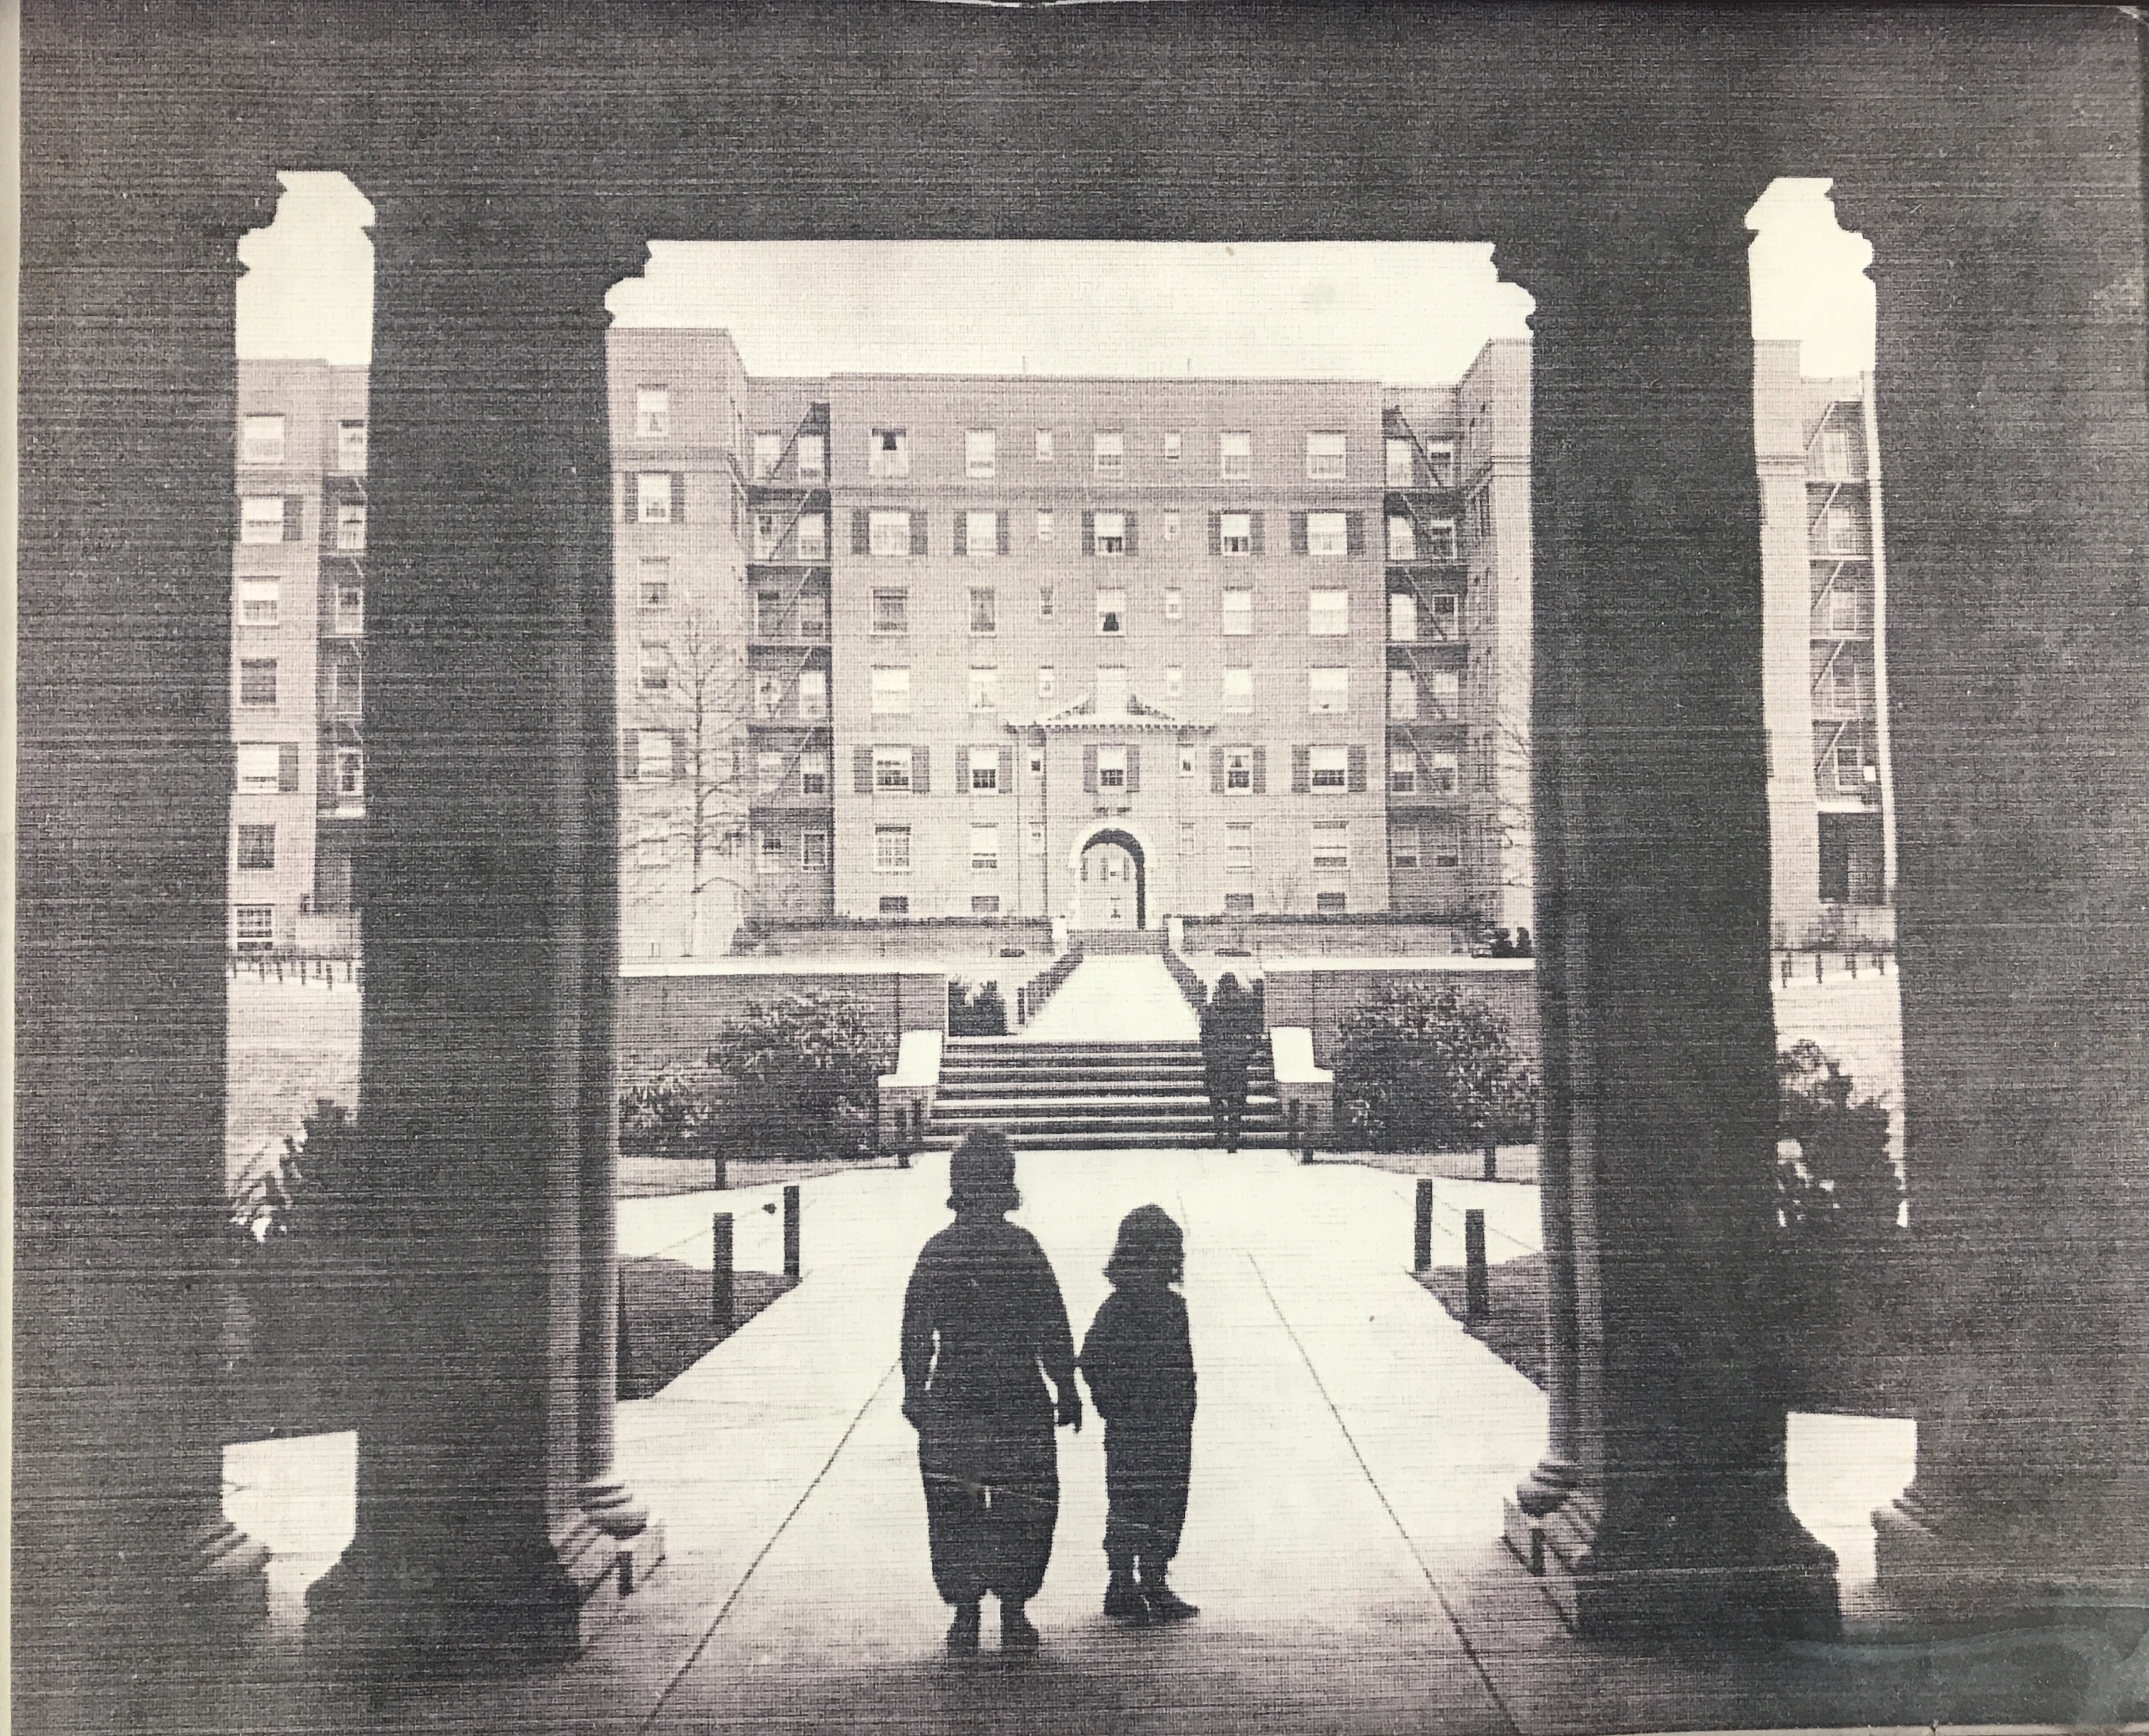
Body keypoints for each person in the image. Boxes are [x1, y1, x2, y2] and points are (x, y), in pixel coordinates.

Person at [900, 1128, 1082, 1657]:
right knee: (1022, 1501)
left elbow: (917, 1327)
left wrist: (916, 1388)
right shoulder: (1022, 1248)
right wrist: (1064, 1384)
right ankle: (1013, 1608)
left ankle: (965, 1610)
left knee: (954, 1503)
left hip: (956, 1388)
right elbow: (1052, 1322)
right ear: (1006, 1185)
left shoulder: (939, 1250)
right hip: (1016, 1390)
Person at [1079, 1205, 1200, 1625]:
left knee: (1158, 1501)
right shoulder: (1122, 1309)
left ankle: (1149, 1580)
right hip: (1139, 1423)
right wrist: (1114, 1404)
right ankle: (1124, 1582)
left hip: (1160, 1424)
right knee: (1134, 1501)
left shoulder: (1166, 1308)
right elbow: (1091, 1359)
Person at [1200, 975, 1253, 1152]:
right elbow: (1253, 1036)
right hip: (1236, 1064)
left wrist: (1211, 1056)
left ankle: (1220, 1131)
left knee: (1217, 1098)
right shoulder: (1244, 1010)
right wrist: (1246, 1056)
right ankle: (1232, 1137)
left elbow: (1204, 1038)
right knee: (1236, 1103)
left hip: (1218, 1063)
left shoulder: (1211, 1010)